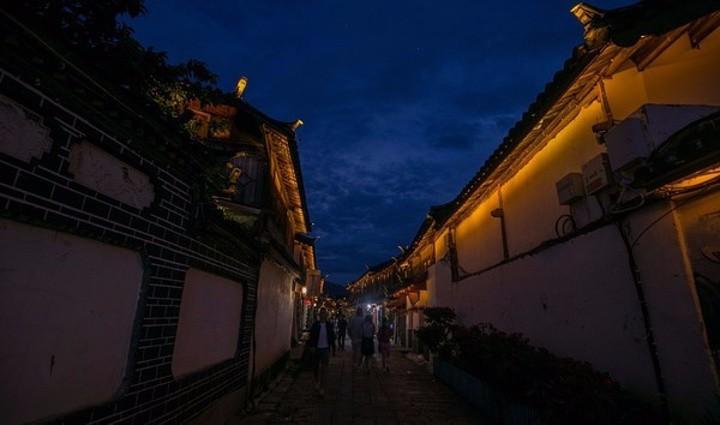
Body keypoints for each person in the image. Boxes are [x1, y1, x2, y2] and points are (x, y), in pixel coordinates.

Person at [308, 308, 335, 396]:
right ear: (319, 315)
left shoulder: (329, 325)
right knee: (315, 367)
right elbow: (311, 336)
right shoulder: (315, 325)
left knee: (324, 369)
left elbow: (332, 336)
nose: (323, 315)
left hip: (325, 349)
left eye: (324, 313)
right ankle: (317, 381)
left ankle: (322, 387)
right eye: (321, 313)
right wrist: (312, 346)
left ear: (326, 315)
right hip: (316, 348)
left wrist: (332, 347)